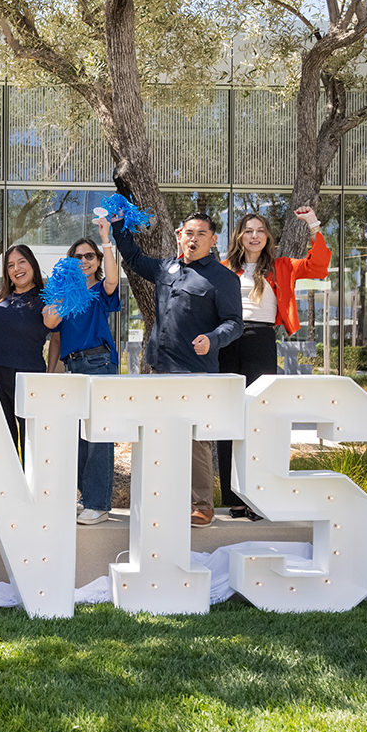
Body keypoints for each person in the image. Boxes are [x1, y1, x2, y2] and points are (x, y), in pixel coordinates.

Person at [112, 209, 242, 526]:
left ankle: (202, 505)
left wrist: (213, 339)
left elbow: (235, 323)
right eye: (188, 233)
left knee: (197, 440)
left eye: (201, 234)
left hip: (196, 372)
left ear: (212, 240)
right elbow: (132, 256)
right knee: (158, 436)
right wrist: (118, 225)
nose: (193, 239)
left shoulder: (223, 278)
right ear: (178, 235)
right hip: (159, 369)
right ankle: (165, 499)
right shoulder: (166, 268)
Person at [218, 206, 331, 519]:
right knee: (229, 420)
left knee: (259, 417)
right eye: (248, 230)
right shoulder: (225, 267)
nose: (254, 236)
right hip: (227, 341)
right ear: (240, 236)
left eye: (260, 231)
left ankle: (258, 496)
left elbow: (319, 266)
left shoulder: (281, 266)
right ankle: (234, 498)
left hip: (260, 341)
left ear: (267, 237)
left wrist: (312, 225)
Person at [42, 216, 120, 524]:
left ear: (97, 260)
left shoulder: (101, 290)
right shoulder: (61, 293)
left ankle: (98, 502)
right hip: (72, 366)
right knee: (74, 437)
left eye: (89, 256)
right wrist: (62, 287)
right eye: (78, 257)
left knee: (99, 437)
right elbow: (50, 322)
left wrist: (106, 240)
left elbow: (113, 280)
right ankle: (83, 497)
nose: (84, 260)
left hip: (100, 363)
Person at [0, 245, 61, 455]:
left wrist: (49, 375)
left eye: (21, 261)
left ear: (32, 264)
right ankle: (3, 486)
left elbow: (56, 338)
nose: (17, 268)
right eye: (10, 265)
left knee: (30, 439)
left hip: (27, 376)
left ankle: (30, 486)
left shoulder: (46, 299)